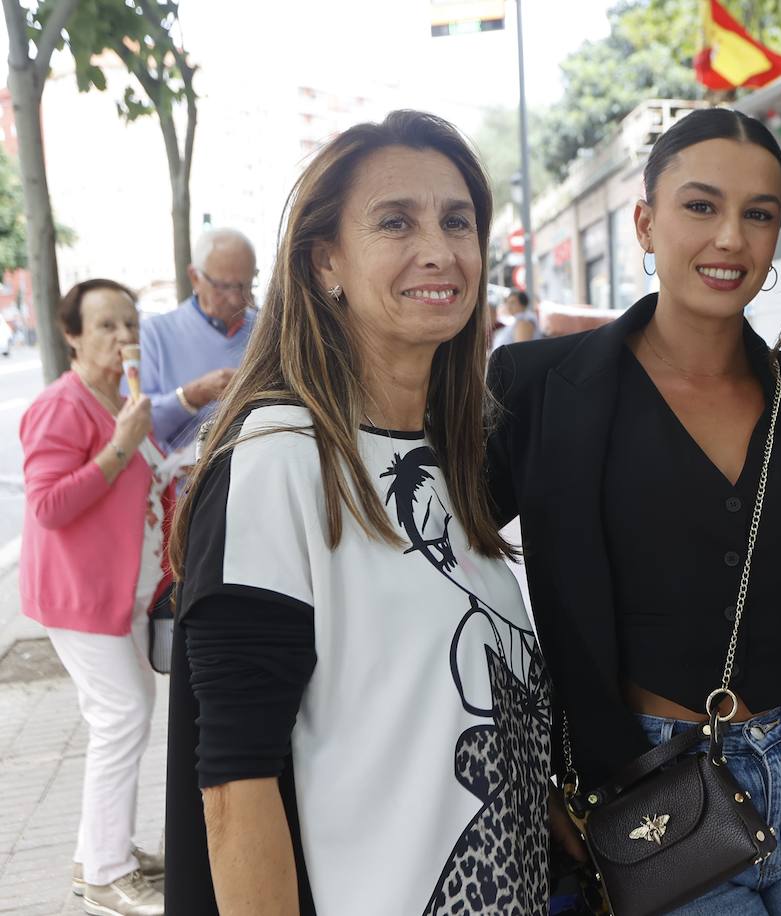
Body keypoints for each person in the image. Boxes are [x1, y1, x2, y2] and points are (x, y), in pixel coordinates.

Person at [488, 108, 781, 914]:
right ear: (645, 220)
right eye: (700, 207)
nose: (730, 239)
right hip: (653, 792)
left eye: (759, 214)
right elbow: (435, 558)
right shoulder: (540, 390)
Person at [164, 110, 551, 916]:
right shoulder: (277, 460)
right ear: (326, 261)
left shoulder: (446, 459)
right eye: (395, 222)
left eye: (458, 221)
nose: (439, 250)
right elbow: (236, 796)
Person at [19, 279, 174, 916]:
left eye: (131, 325)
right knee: (123, 716)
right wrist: (119, 448)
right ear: (73, 335)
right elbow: (49, 505)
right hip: (80, 596)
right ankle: (108, 873)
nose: (123, 338)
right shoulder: (64, 405)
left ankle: (99, 855)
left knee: (122, 717)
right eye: (106, 326)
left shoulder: (122, 398)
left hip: (120, 595)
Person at [139, 228, 257, 452]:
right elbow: (136, 429)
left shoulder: (267, 331)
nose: (236, 299)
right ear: (195, 277)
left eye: (246, 285)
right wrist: (191, 396)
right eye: (223, 287)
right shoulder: (154, 334)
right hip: (184, 483)